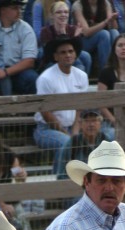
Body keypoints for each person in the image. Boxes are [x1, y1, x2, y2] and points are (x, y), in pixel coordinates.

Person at [33, 36, 89, 176]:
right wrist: (67, 134)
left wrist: (75, 132)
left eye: (71, 51)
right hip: (46, 129)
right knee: (66, 143)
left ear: (75, 54)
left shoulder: (81, 76)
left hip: (74, 126)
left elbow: (80, 109)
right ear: (55, 56)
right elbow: (46, 113)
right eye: (63, 52)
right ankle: (59, 187)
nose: (68, 55)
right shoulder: (46, 78)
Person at [38, 0, 92, 74]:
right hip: (52, 59)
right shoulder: (46, 31)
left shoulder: (73, 29)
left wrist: (76, 37)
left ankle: (82, 82)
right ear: (52, 15)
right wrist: (63, 35)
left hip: (70, 57)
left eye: (66, 12)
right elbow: (51, 54)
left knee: (86, 57)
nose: (63, 15)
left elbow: (76, 51)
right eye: (59, 12)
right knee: (79, 65)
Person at [70, 0, 120, 70]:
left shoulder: (105, 3)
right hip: (83, 41)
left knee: (114, 33)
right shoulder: (78, 5)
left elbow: (114, 27)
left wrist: (113, 19)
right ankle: (105, 71)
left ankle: (119, 68)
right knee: (104, 34)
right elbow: (86, 32)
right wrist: (105, 22)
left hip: (103, 41)